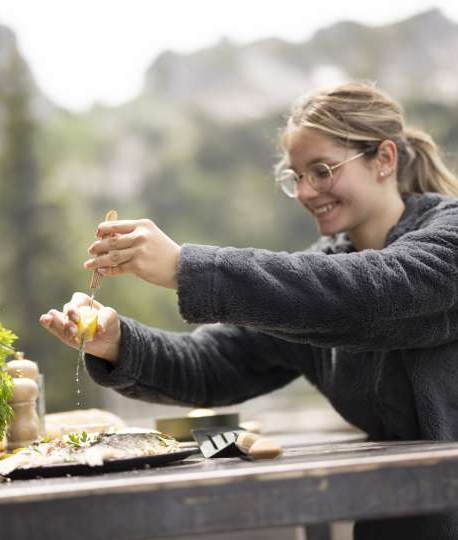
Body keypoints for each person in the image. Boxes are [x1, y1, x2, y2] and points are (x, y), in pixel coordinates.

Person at [39, 81, 458, 540]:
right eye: (295, 176)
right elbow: (212, 365)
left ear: (384, 159)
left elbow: (369, 295)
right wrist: (117, 344)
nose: (305, 191)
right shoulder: (315, 287)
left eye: (321, 170)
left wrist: (185, 267)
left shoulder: (447, 239)